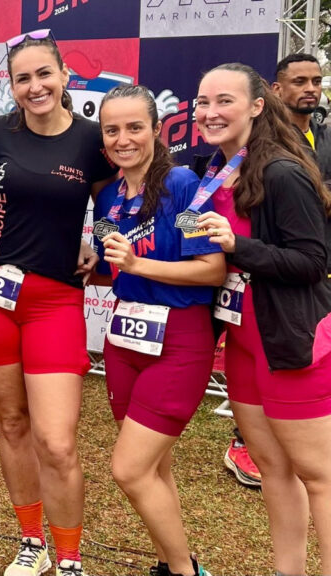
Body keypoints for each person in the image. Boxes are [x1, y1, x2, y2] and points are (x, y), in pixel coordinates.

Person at [0, 30, 118, 576]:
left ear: (65, 75)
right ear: (12, 86)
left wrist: (105, 246)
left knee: (57, 440)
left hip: (53, 301)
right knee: (12, 423)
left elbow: (125, 196)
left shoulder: (94, 140)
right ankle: (31, 542)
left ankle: (69, 557)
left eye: (44, 74)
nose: (35, 86)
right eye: (23, 78)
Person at [193, 62, 331, 576]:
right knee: (273, 469)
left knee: (319, 474)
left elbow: (313, 263)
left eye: (224, 101)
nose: (210, 112)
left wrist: (239, 247)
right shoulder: (218, 168)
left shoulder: (282, 172)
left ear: (256, 105)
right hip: (245, 345)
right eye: (203, 103)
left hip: (291, 343)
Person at [92, 85, 225, 576]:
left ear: (156, 130)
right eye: (112, 130)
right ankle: (179, 563)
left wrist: (138, 267)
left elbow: (212, 269)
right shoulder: (107, 195)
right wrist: (96, 263)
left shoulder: (183, 185)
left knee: (128, 469)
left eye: (134, 128)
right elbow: (115, 263)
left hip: (179, 342)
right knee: (154, 468)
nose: (123, 139)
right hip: (125, 339)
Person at [272, 53, 331, 180]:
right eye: (299, 82)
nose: (311, 88)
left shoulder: (327, 135)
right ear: (277, 90)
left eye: (317, 82)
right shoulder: (263, 139)